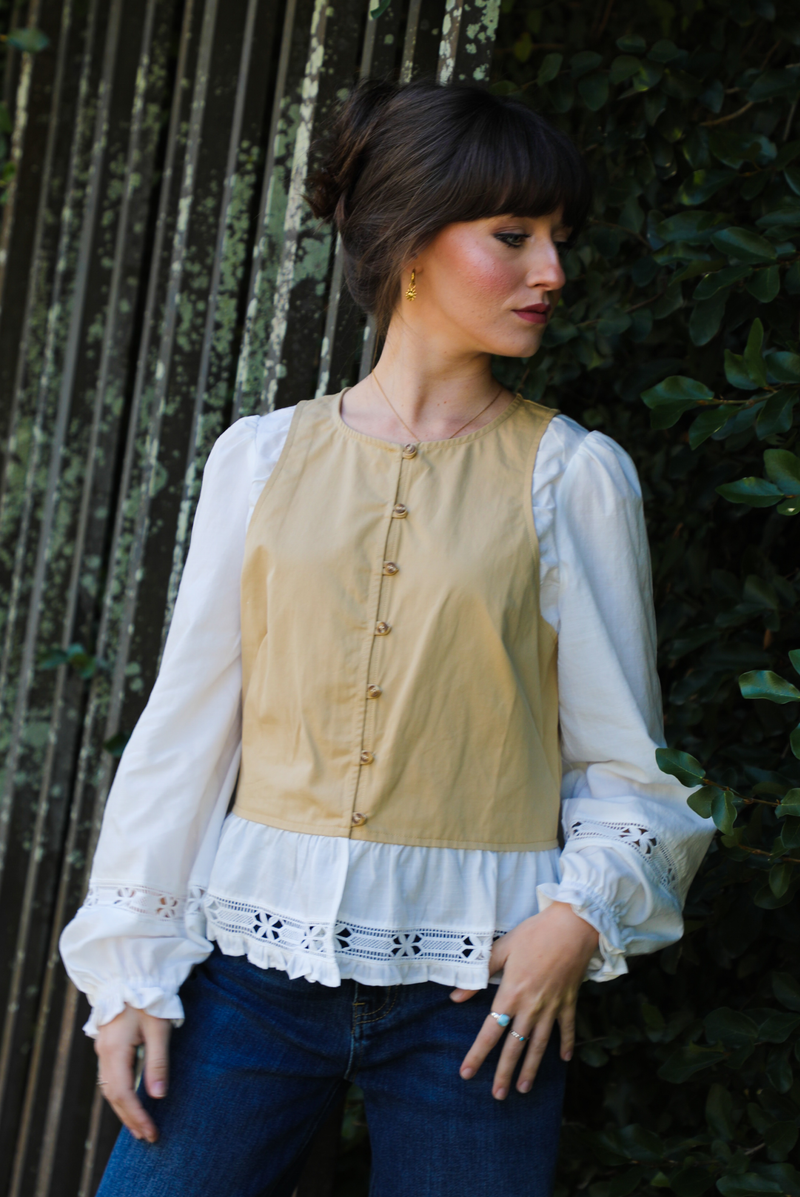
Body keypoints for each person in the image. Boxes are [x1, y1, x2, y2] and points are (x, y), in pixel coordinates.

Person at [60, 77, 714, 1197]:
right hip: (247, 976)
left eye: (558, 239)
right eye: (512, 236)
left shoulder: (574, 476)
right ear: (411, 244)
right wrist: (128, 970)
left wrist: (575, 919)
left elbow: (627, 763)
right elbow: (186, 729)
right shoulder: (259, 459)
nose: (552, 272)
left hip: (477, 995)